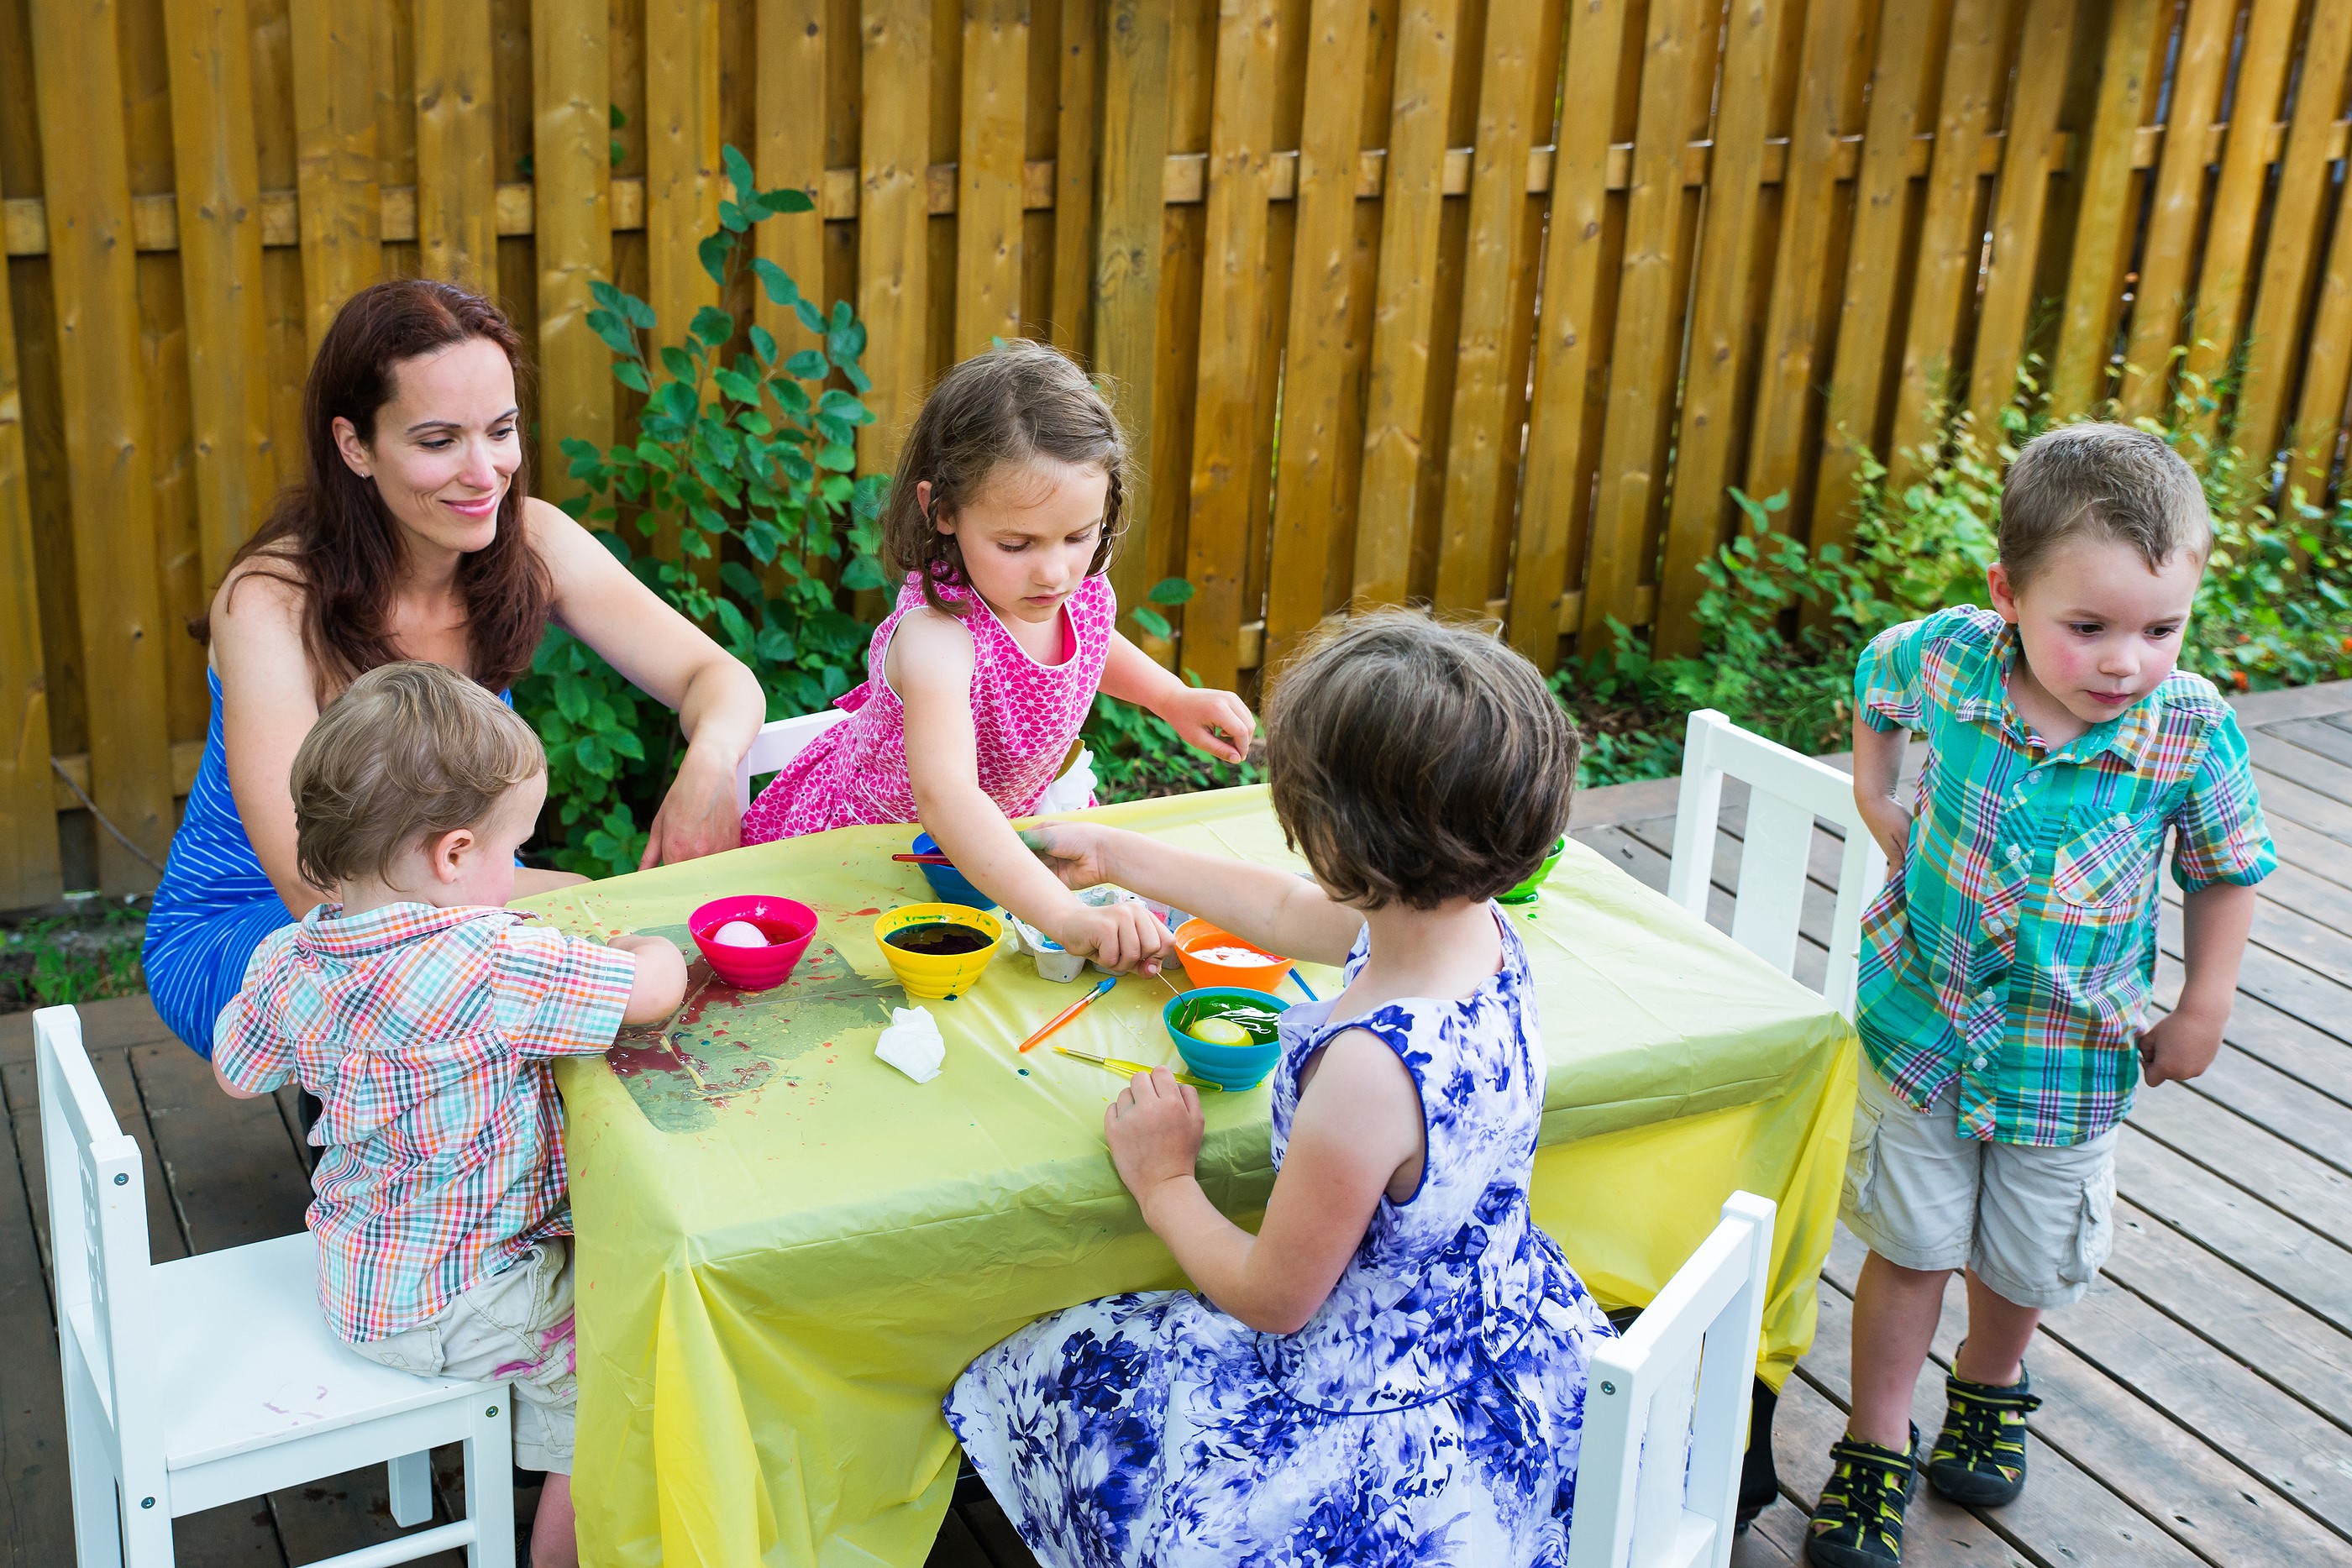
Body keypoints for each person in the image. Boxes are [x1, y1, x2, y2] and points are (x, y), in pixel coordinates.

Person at [942, 611, 1618, 1566]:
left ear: (1334, 837)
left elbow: (1271, 1298)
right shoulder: (1473, 935)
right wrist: (1117, 853)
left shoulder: (1368, 1071)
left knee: (1041, 1364)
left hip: (1372, 1442)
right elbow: (1290, 910)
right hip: (1501, 1354)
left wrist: (1164, 1180)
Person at [1808, 424, 2272, 1568]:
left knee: (2019, 1257)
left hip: (2071, 1054)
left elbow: (2222, 870)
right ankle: (1874, 1440)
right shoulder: (1954, 661)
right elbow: (1878, 675)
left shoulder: (2189, 733)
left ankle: (1989, 1379)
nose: (2125, 660)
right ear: (2008, 594)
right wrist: (1878, 797)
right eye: (2090, 627)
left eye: (2161, 629)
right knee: (1912, 1243)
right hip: (1923, 1021)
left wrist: (2205, 1001)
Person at [144, 278, 764, 1059]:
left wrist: (707, 761)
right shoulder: (272, 602)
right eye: (439, 441)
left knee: (590, 961)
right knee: (576, 953)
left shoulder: (529, 540)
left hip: (456, 894)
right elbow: (320, 889)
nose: (484, 472)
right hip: (262, 921)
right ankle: (382, 1170)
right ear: (354, 445)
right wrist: (569, 905)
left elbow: (719, 678)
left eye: (501, 430)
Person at [211, 663, 687, 1568]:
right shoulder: (492, 960)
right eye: (513, 852)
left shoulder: (290, 952)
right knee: (631, 1363)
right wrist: (643, 944)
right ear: (455, 854)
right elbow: (653, 992)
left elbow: (239, 1069)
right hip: (463, 1298)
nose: (516, 873)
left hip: (357, 1273)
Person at [740, 341, 1253, 973]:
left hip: (993, 856)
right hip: (877, 867)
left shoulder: (1077, 586)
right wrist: (1065, 918)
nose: (1056, 571)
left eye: (1078, 535)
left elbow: (1088, 643)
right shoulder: (937, 636)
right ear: (943, 511)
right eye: (1016, 543)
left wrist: (1170, 697)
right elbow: (949, 799)